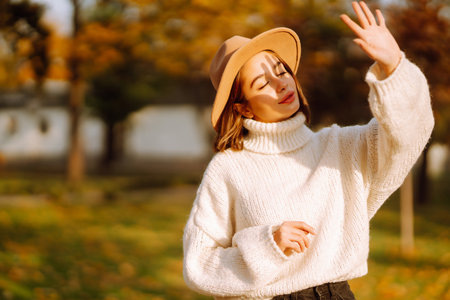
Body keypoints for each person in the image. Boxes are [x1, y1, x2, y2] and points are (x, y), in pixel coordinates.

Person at [183, 1, 434, 299]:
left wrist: (394, 66)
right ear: (244, 108)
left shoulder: (341, 148)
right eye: (263, 82)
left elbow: (409, 135)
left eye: (281, 70)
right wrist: (267, 244)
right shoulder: (228, 168)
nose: (281, 83)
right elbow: (199, 264)